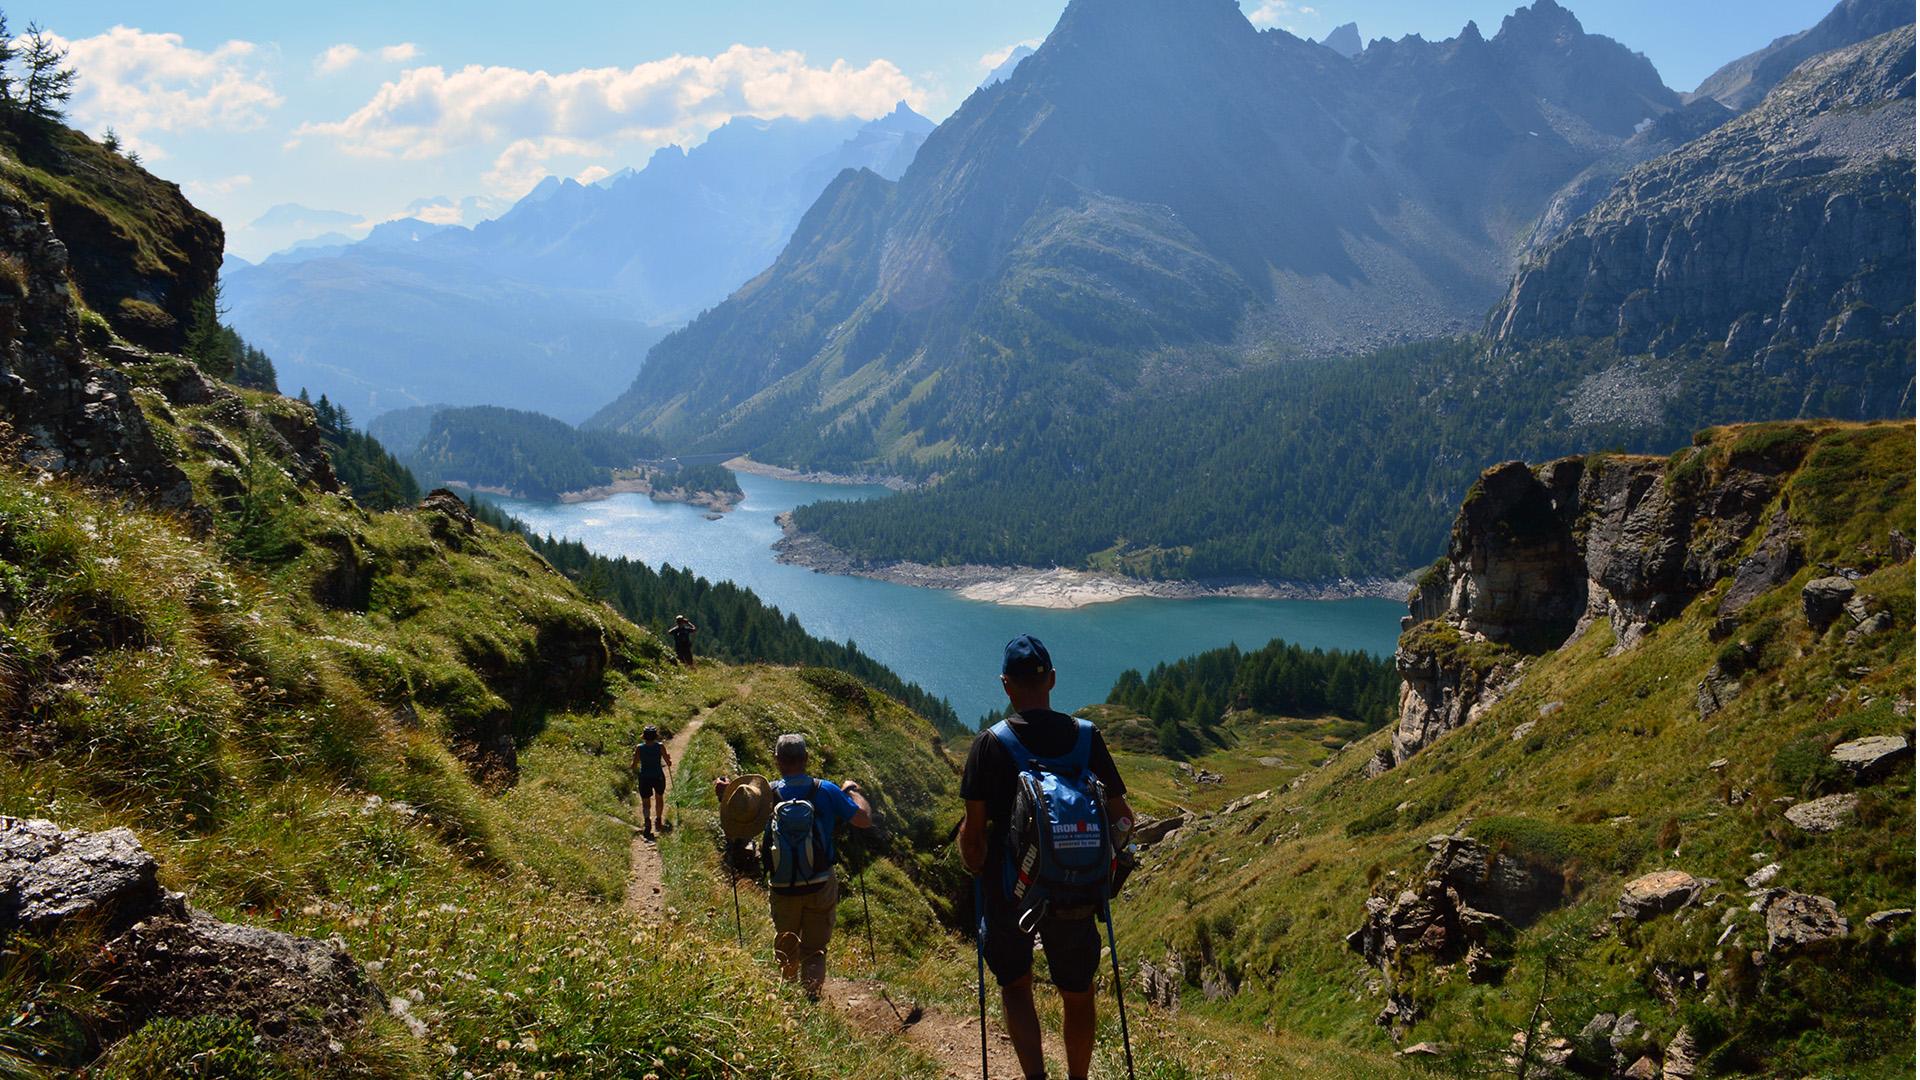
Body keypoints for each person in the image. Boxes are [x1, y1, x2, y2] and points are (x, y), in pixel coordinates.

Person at [960, 635, 1133, 1080]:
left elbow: (974, 836)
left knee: (1016, 986)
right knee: (1078, 993)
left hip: (1011, 889)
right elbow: (1123, 819)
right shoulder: (1087, 738)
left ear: (1006, 686)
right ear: (1052, 679)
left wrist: (973, 861)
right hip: (1076, 888)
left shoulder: (989, 744)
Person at [717, 733, 872, 998]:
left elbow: (740, 821)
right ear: (806, 759)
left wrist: (726, 795)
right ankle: (811, 1000)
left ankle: (788, 1004)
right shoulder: (826, 790)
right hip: (820, 881)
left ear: (776, 760)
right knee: (814, 950)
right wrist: (854, 792)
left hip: (782, 885)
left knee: (787, 943)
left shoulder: (768, 795)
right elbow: (863, 820)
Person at [631, 725, 671, 835]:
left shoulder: (640, 748)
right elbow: (668, 763)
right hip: (658, 776)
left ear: (644, 736)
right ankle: (658, 820)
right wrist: (669, 759)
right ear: (655, 736)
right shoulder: (660, 746)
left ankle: (647, 821)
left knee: (645, 801)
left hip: (644, 777)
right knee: (659, 797)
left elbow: (633, 765)